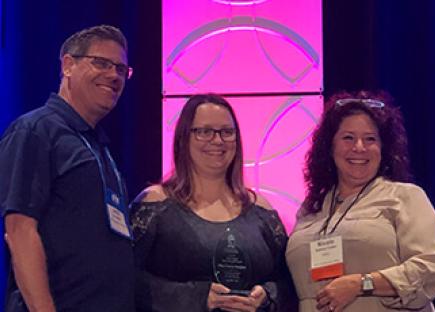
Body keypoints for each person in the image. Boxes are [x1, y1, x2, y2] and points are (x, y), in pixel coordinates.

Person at [0, 25, 135, 311]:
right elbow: (19, 230)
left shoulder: (102, 148)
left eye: (122, 69)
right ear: (68, 65)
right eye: (101, 63)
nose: (113, 75)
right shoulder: (35, 131)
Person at [131, 93, 297, 311]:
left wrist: (267, 295)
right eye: (204, 131)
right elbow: (124, 280)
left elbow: (291, 283)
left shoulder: (261, 210)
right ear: (183, 138)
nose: (217, 141)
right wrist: (197, 297)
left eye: (227, 132)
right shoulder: (154, 204)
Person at [285, 90, 435, 311]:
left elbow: (430, 268)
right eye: (348, 137)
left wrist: (362, 284)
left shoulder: (405, 197)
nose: (359, 147)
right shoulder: (311, 208)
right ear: (330, 147)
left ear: (383, 149)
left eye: (370, 139)